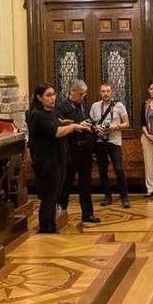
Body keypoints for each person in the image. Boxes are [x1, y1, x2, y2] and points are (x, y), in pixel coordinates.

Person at [26, 83, 91, 233]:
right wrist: (74, 127)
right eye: (48, 95)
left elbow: (57, 122)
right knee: (49, 196)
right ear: (39, 98)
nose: (52, 98)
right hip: (46, 161)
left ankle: (52, 225)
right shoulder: (37, 114)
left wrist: (67, 122)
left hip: (58, 159)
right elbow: (55, 131)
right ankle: (46, 228)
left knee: (54, 194)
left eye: (53, 94)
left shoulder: (51, 112)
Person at [58, 80, 100, 224]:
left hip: (85, 151)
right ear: (73, 92)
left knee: (86, 183)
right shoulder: (62, 107)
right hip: (70, 150)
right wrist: (76, 125)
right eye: (82, 94)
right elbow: (59, 126)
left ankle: (87, 214)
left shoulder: (83, 106)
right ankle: (60, 212)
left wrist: (93, 127)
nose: (84, 96)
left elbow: (86, 121)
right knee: (66, 183)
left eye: (85, 94)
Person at [90, 82, 130, 209]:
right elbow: (91, 123)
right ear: (100, 92)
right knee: (102, 171)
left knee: (118, 169)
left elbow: (127, 123)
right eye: (103, 91)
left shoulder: (119, 106)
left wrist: (115, 126)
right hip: (100, 142)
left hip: (114, 142)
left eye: (108, 91)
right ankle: (107, 196)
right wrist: (96, 128)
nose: (105, 94)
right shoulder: (95, 106)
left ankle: (124, 197)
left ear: (112, 92)